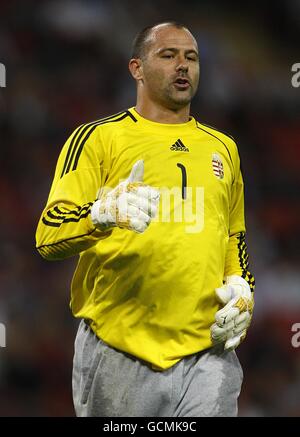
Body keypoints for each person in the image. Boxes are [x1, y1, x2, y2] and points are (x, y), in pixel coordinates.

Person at [35, 21, 255, 417]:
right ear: (136, 68)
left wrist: (241, 284)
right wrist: (100, 214)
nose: (183, 66)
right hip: (120, 349)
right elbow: (48, 232)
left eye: (191, 57)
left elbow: (232, 235)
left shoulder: (225, 148)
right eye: (168, 56)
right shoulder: (97, 138)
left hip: (207, 353)